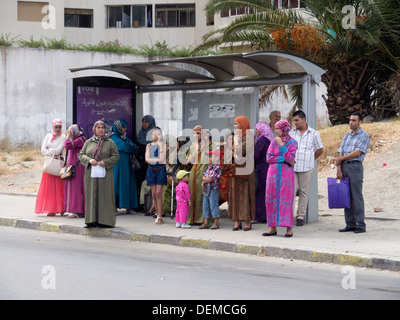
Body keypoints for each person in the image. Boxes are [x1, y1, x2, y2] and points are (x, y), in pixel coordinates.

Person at [78, 120, 120, 228]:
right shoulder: (88, 142)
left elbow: (116, 156)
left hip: (105, 174)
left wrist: (104, 162)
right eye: (98, 127)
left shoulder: (110, 142)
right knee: (91, 195)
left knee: (105, 196)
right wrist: (89, 160)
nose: (100, 129)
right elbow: (81, 155)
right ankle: (91, 221)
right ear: (94, 129)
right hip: (90, 174)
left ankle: (105, 221)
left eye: (102, 127)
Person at [336, 112, 370, 233]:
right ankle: (350, 223)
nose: (351, 122)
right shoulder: (347, 135)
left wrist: (341, 159)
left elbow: (358, 152)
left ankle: (360, 224)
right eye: (350, 120)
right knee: (346, 195)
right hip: (344, 166)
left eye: (354, 120)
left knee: (356, 196)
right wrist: (339, 168)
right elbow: (340, 150)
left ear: (360, 122)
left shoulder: (364, 136)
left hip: (355, 167)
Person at [264, 119, 298, 237]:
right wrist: (282, 159)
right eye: (275, 128)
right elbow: (268, 158)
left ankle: (289, 229)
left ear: (284, 129)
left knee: (286, 200)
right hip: (272, 175)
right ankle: (272, 228)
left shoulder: (293, 143)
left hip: (285, 176)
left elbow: (290, 158)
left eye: (278, 128)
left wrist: (282, 146)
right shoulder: (273, 142)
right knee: (271, 199)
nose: (275, 130)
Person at [290, 110, 324, 226]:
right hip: (293, 167)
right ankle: (289, 215)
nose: (295, 123)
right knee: (292, 190)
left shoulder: (314, 133)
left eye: (297, 120)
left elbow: (320, 149)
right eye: (294, 120)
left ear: (303, 119)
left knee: (304, 191)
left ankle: (300, 216)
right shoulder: (291, 133)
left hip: (306, 167)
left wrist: (311, 158)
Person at [228, 116, 256, 231]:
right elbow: (229, 153)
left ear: (242, 125)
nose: (234, 126)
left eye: (236, 124)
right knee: (234, 194)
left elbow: (241, 151)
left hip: (246, 169)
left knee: (245, 194)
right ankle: (237, 221)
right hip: (235, 168)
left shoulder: (248, 137)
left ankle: (247, 221)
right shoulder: (236, 137)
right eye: (234, 124)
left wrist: (235, 145)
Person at [35, 119, 66, 216]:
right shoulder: (48, 136)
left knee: (60, 188)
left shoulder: (63, 137)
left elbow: (59, 151)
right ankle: (51, 209)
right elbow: (42, 150)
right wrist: (52, 150)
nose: (58, 129)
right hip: (49, 164)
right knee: (49, 188)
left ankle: (61, 209)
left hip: (57, 164)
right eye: (56, 127)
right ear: (52, 127)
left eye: (59, 127)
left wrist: (50, 150)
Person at [110, 119, 139, 214]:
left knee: (128, 185)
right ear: (119, 128)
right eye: (124, 127)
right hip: (117, 167)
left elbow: (134, 147)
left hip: (127, 166)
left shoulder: (124, 138)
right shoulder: (112, 138)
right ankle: (113, 208)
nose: (126, 129)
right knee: (116, 186)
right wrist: (129, 146)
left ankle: (128, 207)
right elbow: (125, 146)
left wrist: (130, 146)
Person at [186, 125, 213, 225]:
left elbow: (213, 158)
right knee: (192, 194)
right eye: (194, 133)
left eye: (198, 133)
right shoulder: (192, 146)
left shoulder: (209, 145)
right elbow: (188, 160)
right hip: (194, 172)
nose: (196, 135)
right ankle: (192, 218)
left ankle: (203, 219)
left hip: (204, 171)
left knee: (203, 195)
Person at [145, 126, 167, 224]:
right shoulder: (149, 145)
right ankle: (157, 214)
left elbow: (162, 158)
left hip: (160, 169)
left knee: (158, 193)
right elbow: (146, 159)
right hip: (150, 170)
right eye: (154, 134)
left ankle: (160, 216)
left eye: (158, 134)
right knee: (153, 194)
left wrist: (153, 159)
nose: (156, 136)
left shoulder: (163, 144)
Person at [64, 124, 86, 218]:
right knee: (72, 189)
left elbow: (68, 145)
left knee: (76, 190)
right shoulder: (77, 139)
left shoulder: (80, 140)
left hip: (78, 169)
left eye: (71, 132)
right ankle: (73, 210)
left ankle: (77, 210)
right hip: (73, 168)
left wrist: (67, 136)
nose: (70, 134)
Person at [254, 121, 274, 223]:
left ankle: (261, 216)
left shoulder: (262, 140)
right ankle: (268, 215)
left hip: (262, 170)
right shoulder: (269, 139)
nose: (256, 132)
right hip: (268, 169)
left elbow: (256, 156)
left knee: (261, 193)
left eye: (257, 129)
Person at [136, 115, 156, 211]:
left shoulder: (154, 135)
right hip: (139, 163)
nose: (144, 123)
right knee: (139, 182)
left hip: (149, 163)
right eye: (143, 121)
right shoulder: (140, 133)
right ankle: (140, 205)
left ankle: (148, 205)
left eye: (146, 122)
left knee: (148, 183)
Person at [200, 149, 222, 230]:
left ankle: (216, 223)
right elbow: (204, 175)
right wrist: (203, 181)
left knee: (213, 205)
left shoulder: (217, 168)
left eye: (211, 156)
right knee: (205, 205)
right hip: (206, 189)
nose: (209, 158)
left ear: (217, 158)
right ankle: (206, 222)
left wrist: (204, 180)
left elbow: (210, 179)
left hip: (213, 189)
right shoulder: (209, 167)